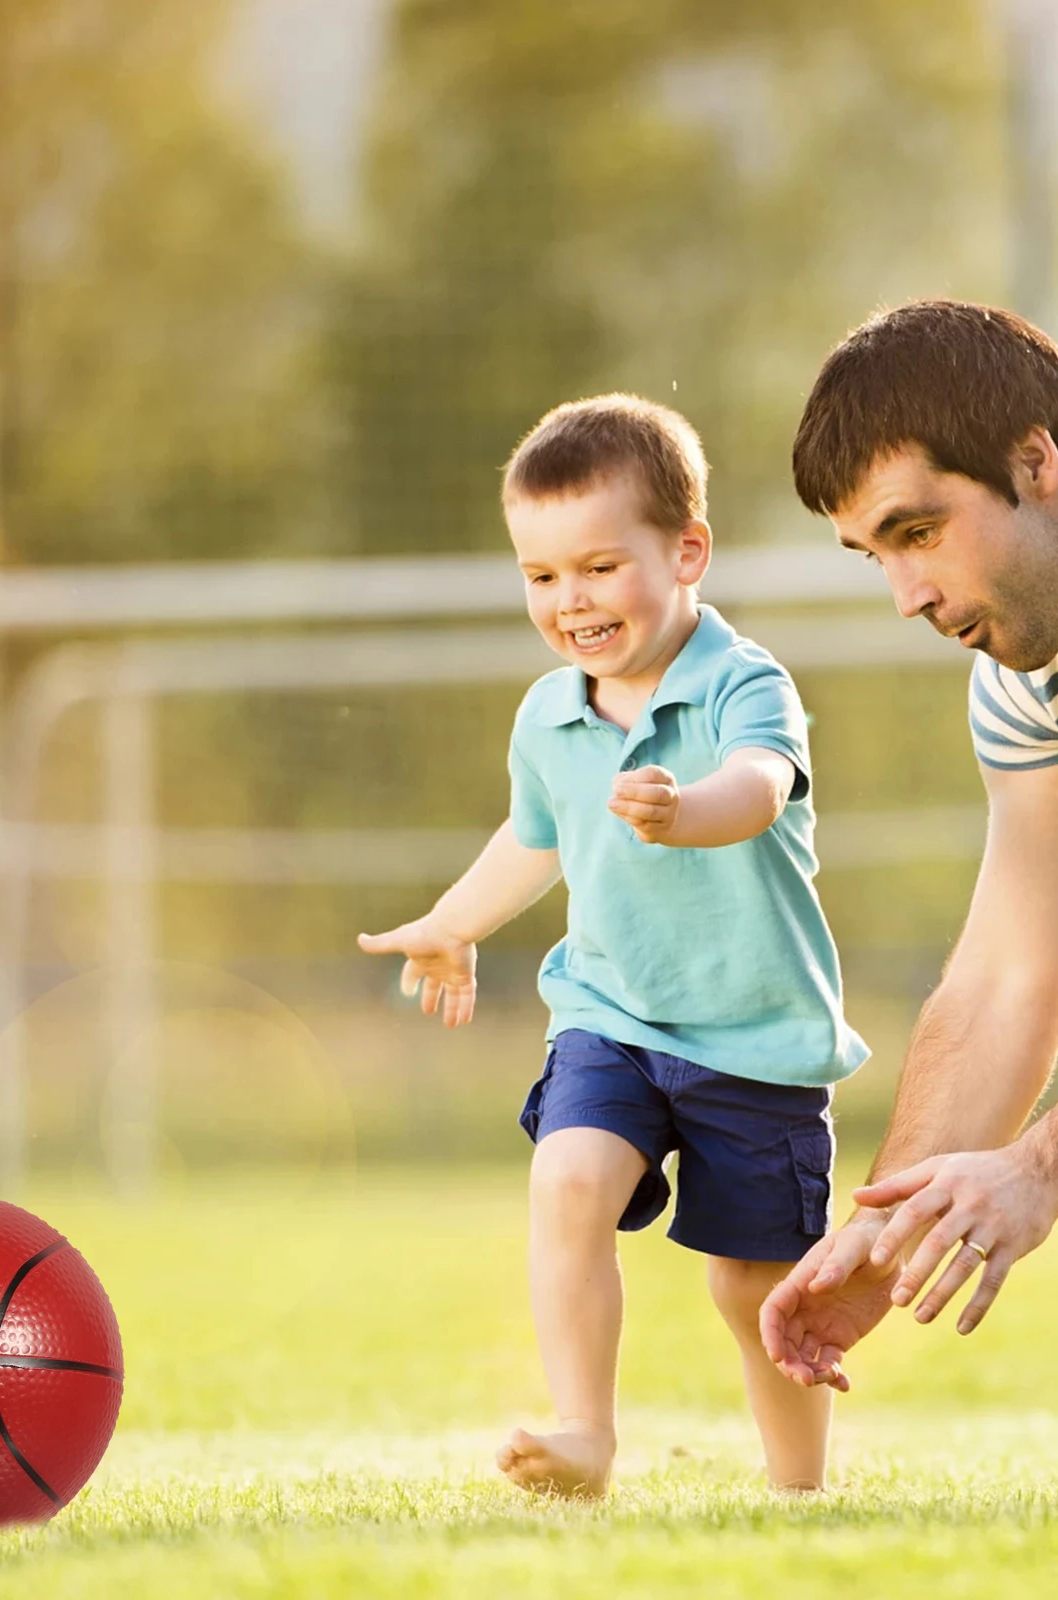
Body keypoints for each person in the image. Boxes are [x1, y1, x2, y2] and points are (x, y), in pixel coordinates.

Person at [358, 395, 869, 1496]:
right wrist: (452, 923)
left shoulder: (746, 681)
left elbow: (758, 786)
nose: (568, 601)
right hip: (611, 1015)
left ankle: (796, 1485)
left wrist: (682, 809)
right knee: (570, 1177)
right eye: (540, 576)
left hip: (755, 1037)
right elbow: (531, 836)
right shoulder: (547, 713)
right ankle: (584, 1433)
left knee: (752, 1285)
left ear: (687, 551)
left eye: (597, 567)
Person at [760, 300, 1058, 1393]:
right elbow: (1005, 980)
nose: (905, 597)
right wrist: (876, 1247)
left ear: (1036, 462)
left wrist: (1037, 1165)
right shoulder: (1025, 691)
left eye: (917, 532)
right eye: (874, 555)